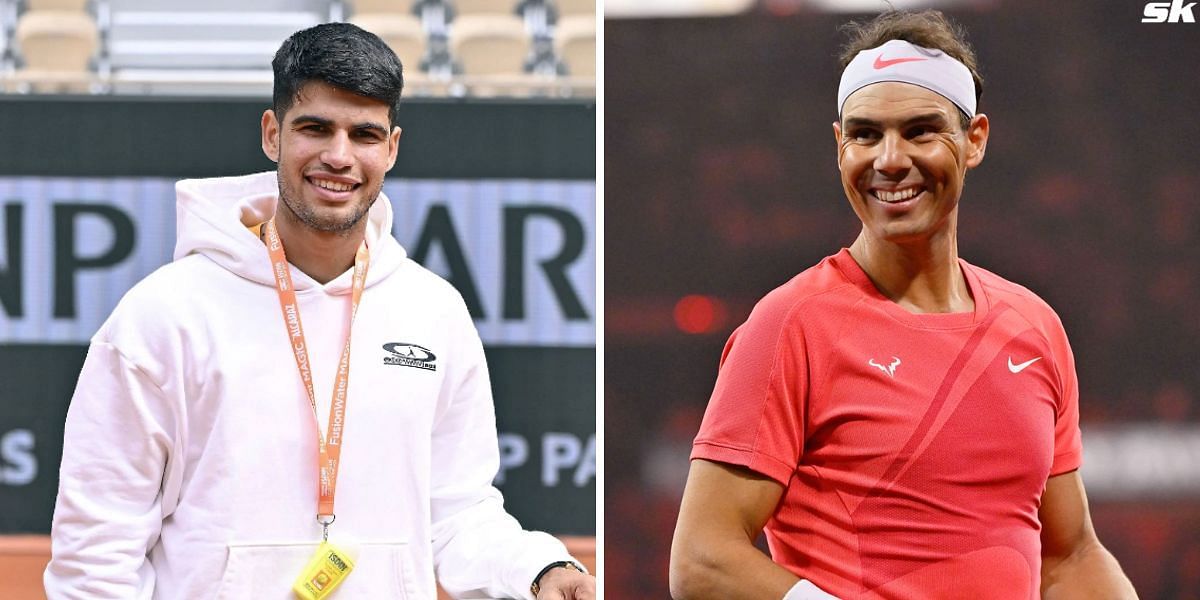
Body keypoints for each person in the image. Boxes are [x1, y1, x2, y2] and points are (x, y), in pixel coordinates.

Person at [44, 22, 594, 600]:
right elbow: (97, 549)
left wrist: (539, 569)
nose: (339, 156)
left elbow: (456, 513)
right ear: (272, 134)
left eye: (364, 134)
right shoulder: (162, 316)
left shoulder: (434, 312)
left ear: (392, 148)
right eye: (315, 128)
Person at [669, 10, 1136, 600]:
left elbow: (1070, 557)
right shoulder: (790, 325)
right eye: (865, 134)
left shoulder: (1034, 326)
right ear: (840, 146)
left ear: (974, 141)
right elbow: (702, 560)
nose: (889, 159)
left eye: (919, 131)